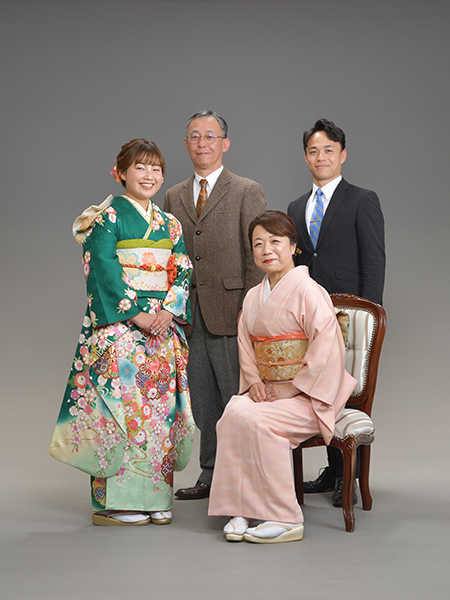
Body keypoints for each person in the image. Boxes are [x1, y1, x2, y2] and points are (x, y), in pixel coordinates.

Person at [50, 139, 195, 526]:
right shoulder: (107, 218)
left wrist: (168, 309)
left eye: (156, 169)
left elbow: (182, 267)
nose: (149, 176)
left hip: (162, 329)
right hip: (120, 330)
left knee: (161, 414)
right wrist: (135, 314)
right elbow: (103, 268)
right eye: (140, 167)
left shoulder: (170, 223)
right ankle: (114, 503)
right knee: (120, 411)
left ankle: (156, 497)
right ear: (121, 172)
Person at [208, 210, 357, 543]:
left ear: (293, 246)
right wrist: (254, 382)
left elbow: (327, 348)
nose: (266, 250)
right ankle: (241, 509)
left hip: (310, 395)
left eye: (275, 241)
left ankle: (285, 516)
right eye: (258, 244)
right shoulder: (253, 296)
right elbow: (246, 347)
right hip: (268, 390)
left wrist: (293, 387)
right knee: (232, 414)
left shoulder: (309, 291)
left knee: (261, 423)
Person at [164, 110, 266, 499]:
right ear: (186, 144)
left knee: (236, 399)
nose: (202, 143)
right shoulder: (173, 194)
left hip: (232, 311)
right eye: (194, 136)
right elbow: (170, 257)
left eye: (210, 136)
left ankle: (244, 476)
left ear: (225, 143)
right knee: (203, 402)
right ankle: (209, 474)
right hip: (189, 314)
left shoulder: (246, 190)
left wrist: (250, 310)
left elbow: (257, 254)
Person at [287, 118, 385, 506]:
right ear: (305, 157)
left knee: (344, 390)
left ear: (342, 155)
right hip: (308, 316)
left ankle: (349, 474)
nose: (321, 157)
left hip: (349, 315)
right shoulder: (296, 206)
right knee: (316, 389)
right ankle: (333, 470)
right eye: (313, 151)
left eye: (328, 150)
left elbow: (374, 261)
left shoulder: (362, 199)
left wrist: (370, 315)